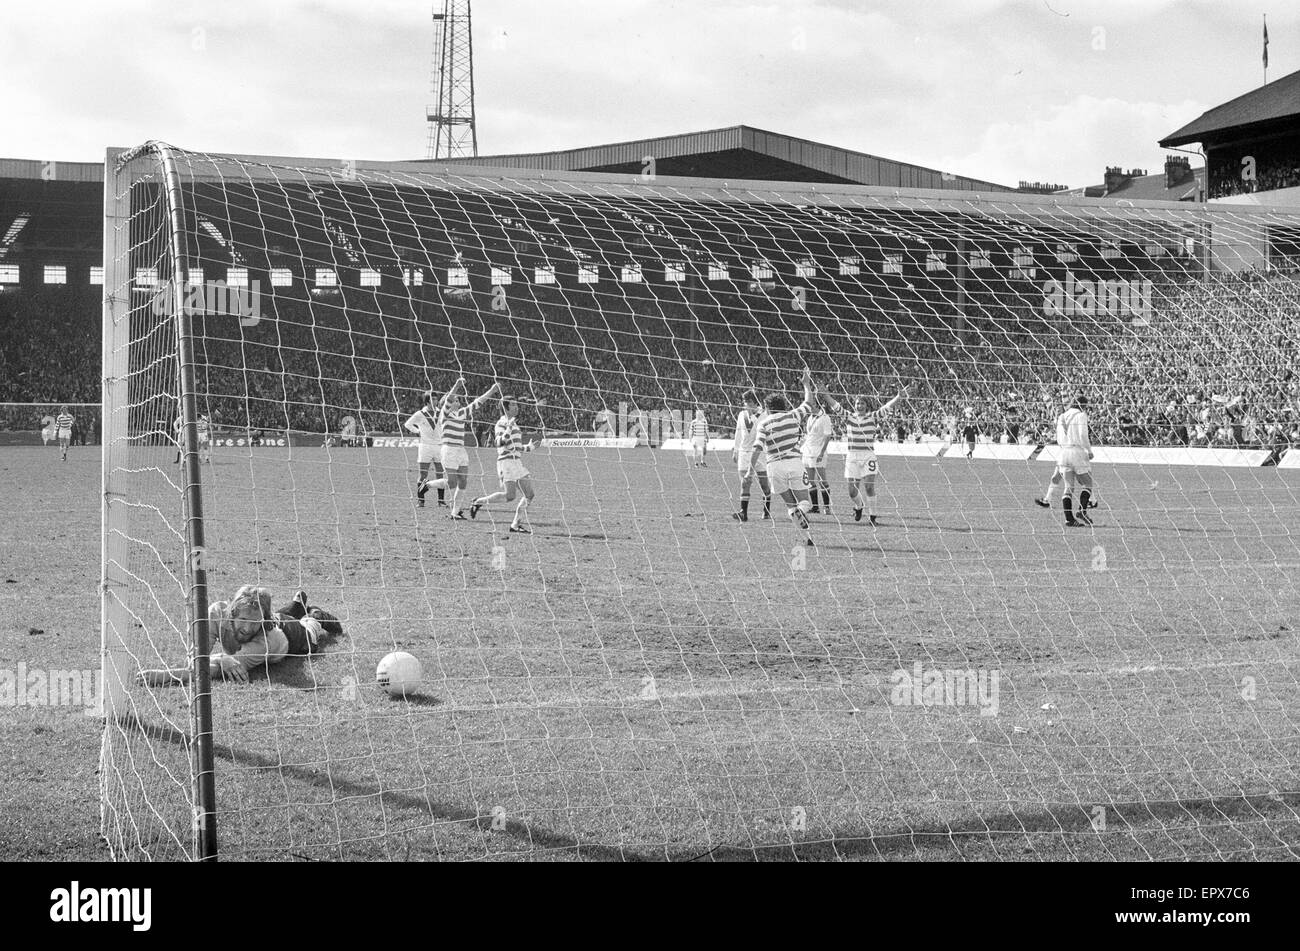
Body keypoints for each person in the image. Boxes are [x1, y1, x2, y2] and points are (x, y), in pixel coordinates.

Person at [136, 586, 343, 686]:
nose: (246, 627)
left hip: (292, 637)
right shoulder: (216, 613)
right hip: (274, 617)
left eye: (254, 622)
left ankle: (314, 614)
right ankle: (297, 603)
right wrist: (223, 657)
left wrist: (165, 675)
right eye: (243, 619)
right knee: (284, 613)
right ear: (233, 612)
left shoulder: (267, 641)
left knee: (310, 632)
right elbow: (196, 657)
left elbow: (215, 670)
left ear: (262, 621)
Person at [749, 368, 817, 546]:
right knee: (804, 502)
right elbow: (809, 403)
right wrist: (806, 384)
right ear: (784, 405)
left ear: (767, 408)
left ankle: (807, 538)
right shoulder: (793, 415)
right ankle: (802, 518)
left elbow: (757, 447)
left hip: (774, 467)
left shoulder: (763, 423)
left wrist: (750, 470)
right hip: (794, 463)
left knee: (790, 505)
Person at [826, 385, 908, 525]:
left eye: (862, 403)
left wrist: (898, 397)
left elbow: (886, 408)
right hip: (852, 456)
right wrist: (825, 394)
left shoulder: (872, 417)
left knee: (869, 486)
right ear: (855, 405)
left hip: (868, 455)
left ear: (866, 405)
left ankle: (872, 517)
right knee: (852, 491)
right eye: (858, 403)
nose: (859, 405)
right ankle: (859, 506)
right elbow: (835, 406)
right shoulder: (849, 417)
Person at [420, 378, 501, 519]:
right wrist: (457, 385)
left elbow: (478, 403)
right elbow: (449, 397)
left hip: (461, 451)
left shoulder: (462, 413)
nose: (457, 402)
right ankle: (428, 485)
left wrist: (492, 391)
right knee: (451, 482)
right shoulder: (444, 414)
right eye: (455, 400)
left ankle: (455, 512)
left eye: (459, 401)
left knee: (463, 481)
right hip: (448, 450)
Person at [469, 394, 536, 533]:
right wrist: (509, 428)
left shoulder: (513, 423)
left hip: (517, 462)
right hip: (506, 463)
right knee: (510, 496)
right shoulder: (501, 423)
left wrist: (530, 447)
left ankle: (515, 525)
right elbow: (499, 442)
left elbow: (514, 447)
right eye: (513, 404)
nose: (517, 407)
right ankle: (479, 502)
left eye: (516, 404)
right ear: (505, 408)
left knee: (529, 494)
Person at [1034, 395, 1096, 527]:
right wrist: (1089, 450)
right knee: (1088, 483)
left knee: (1069, 487)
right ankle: (1082, 511)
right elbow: (1083, 434)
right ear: (1083, 405)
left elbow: (1058, 437)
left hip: (1063, 452)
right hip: (1077, 452)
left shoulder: (1061, 416)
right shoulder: (1081, 415)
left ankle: (1069, 519)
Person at [732, 391, 771, 521]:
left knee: (764, 484)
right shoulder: (741, 415)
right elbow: (738, 432)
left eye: (748, 402)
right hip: (744, 453)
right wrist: (735, 450)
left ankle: (766, 510)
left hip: (759, 453)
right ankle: (744, 513)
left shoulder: (764, 415)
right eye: (744, 402)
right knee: (745, 482)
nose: (745, 405)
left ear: (754, 402)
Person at [404, 393, 447, 508]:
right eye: (432, 399)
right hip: (425, 447)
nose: (435, 401)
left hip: (439, 446)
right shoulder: (420, 414)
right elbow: (407, 424)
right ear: (427, 401)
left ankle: (441, 501)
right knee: (423, 474)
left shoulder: (440, 413)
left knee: (440, 474)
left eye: (436, 399)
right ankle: (421, 500)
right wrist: (418, 431)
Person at [800, 402, 835, 513]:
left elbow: (827, 436)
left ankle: (826, 507)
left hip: (818, 451)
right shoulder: (810, 417)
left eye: (810, 405)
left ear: (816, 404)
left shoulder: (824, 418)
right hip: (807, 451)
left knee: (822, 480)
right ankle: (815, 507)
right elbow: (809, 434)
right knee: (810, 480)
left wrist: (822, 452)